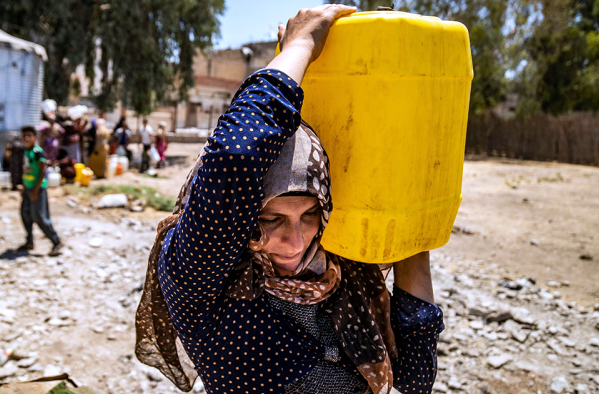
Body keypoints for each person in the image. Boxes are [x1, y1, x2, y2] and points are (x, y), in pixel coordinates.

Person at [135, 5, 443, 394]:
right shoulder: (201, 281)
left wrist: (411, 222)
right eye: (271, 219)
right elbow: (236, 156)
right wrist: (300, 45)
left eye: (310, 214)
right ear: (238, 212)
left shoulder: (340, 269)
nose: (296, 242)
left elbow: (415, 380)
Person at [19, 126, 63, 256]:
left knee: (40, 217)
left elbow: (43, 171)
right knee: (25, 214)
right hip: (28, 188)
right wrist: (24, 187)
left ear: (35, 138)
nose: (26, 138)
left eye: (29, 136)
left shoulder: (38, 152)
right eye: (24, 136)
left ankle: (56, 241)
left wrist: (36, 190)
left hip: (37, 189)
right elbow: (27, 170)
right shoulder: (27, 152)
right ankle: (29, 241)